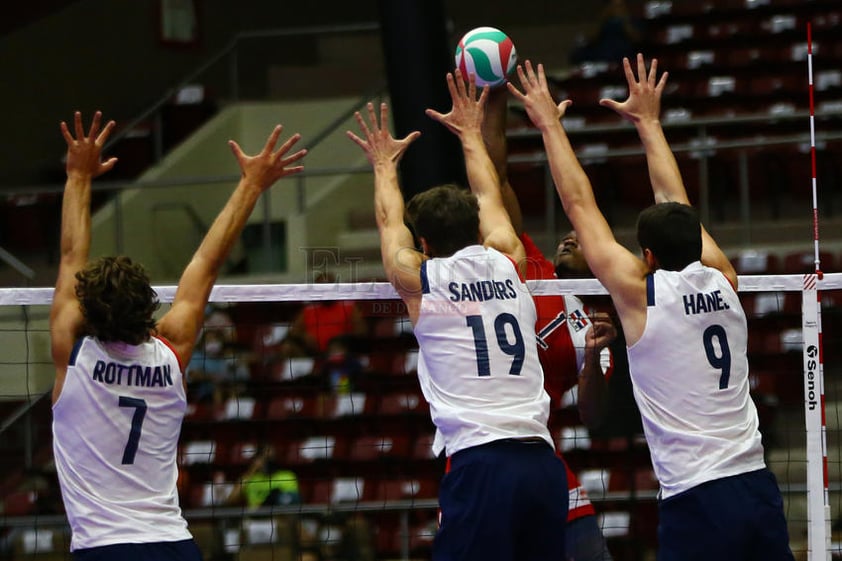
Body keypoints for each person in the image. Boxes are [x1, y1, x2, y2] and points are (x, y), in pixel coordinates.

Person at [508, 54, 795, 560]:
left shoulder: (643, 295)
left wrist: (550, 124)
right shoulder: (725, 278)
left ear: (647, 257)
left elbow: (580, 206)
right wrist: (650, 124)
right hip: (755, 483)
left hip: (697, 494)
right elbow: (676, 201)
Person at [50, 111, 306, 559]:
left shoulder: (73, 354)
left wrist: (77, 176)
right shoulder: (171, 350)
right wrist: (251, 186)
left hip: (105, 548)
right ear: (148, 304)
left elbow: (72, 254)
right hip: (173, 544)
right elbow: (205, 264)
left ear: (85, 310)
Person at [346, 70, 568, 560]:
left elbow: (389, 222)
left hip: (482, 463)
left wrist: (384, 165)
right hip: (541, 460)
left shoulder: (423, 281)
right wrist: (470, 134)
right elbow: (490, 196)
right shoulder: (511, 260)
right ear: (477, 229)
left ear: (424, 244)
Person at [480, 85, 616, 561]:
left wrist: (594, 357)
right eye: (567, 237)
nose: (567, 238)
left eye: (579, 240)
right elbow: (494, 179)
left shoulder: (597, 323)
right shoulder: (530, 267)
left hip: (544, 459)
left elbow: (593, 417)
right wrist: (493, 95)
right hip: (489, 452)